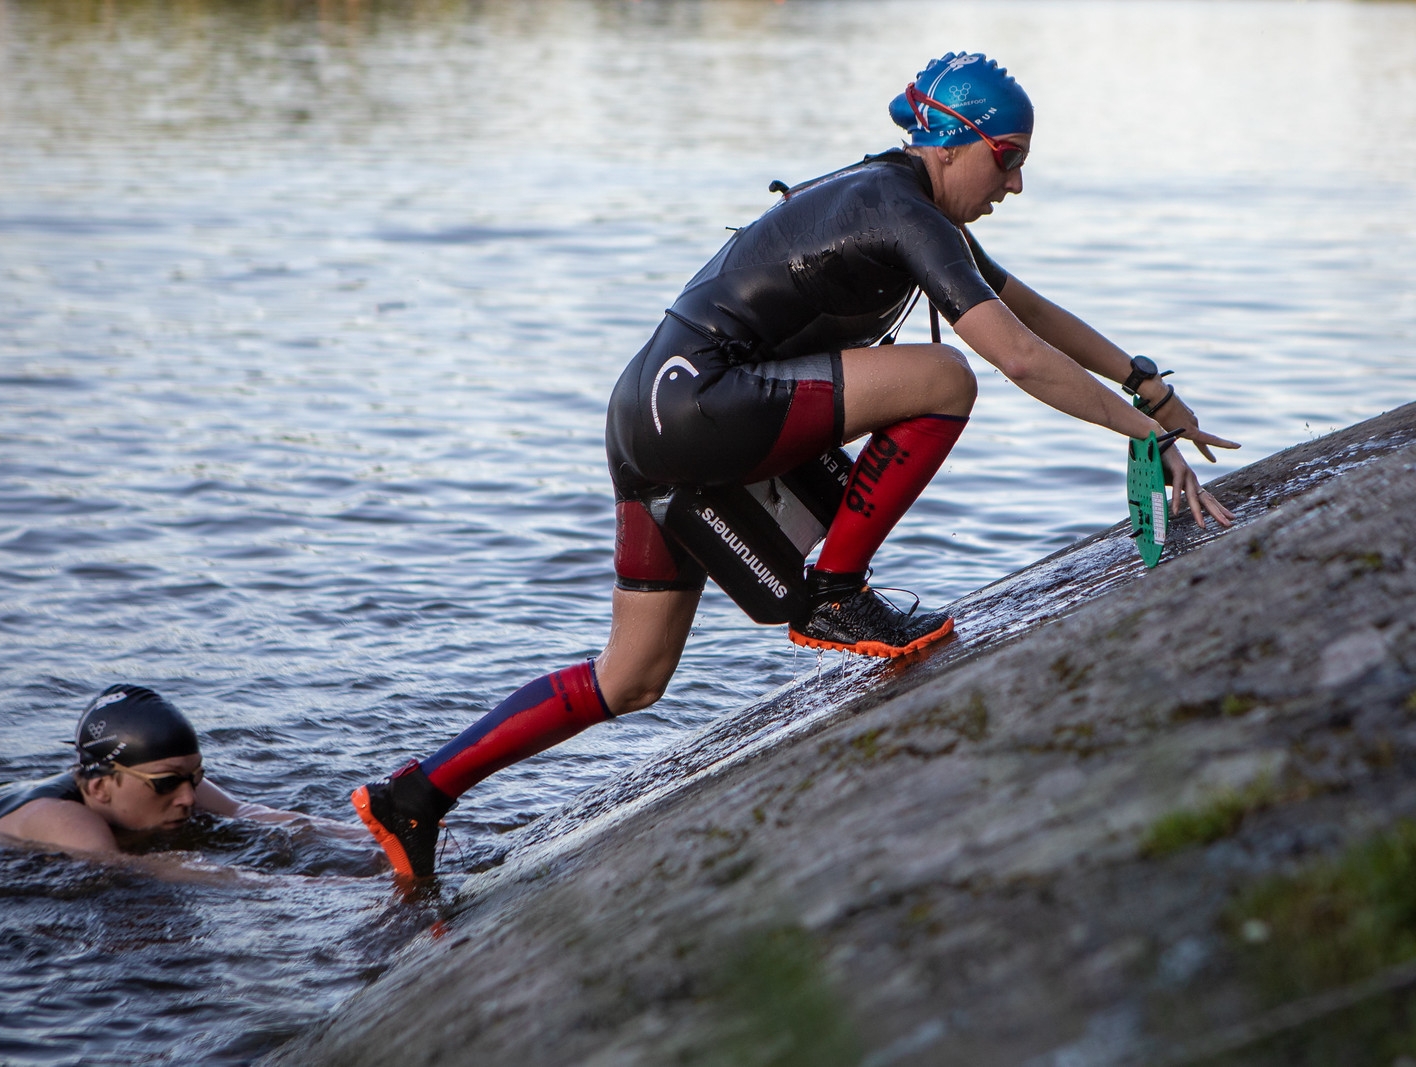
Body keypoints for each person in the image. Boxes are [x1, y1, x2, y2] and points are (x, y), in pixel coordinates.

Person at [352, 53, 1239, 879]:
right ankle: (838, 593)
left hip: (647, 421)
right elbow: (1015, 355)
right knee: (945, 376)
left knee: (632, 678)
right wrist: (1141, 437)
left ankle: (416, 795)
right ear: (952, 140)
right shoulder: (897, 208)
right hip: (693, 409)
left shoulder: (903, 207)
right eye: (1005, 158)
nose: (1014, 182)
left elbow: (1027, 307)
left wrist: (1144, 384)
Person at [0, 684, 357, 856]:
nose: (187, 797)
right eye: (166, 784)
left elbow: (252, 814)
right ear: (101, 788)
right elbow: (139, 869)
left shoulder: (173, 780)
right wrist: (319, 889)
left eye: (194, 778)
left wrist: (367, 833)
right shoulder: (61, 817)